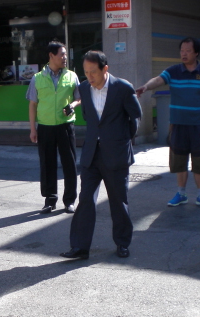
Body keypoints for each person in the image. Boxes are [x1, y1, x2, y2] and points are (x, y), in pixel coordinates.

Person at [60, 50, 142, 260]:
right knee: (85, 199)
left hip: (116, 154)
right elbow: (89, 118)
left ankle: (122, 243)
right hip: (91, 154)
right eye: (86, 72)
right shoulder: (84, 89)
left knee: (118, 201)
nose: (90, 77)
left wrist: (122, 141)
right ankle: (80, 247)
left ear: (105, 69)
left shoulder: (122, 88)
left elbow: (135, 117)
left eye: (93, 72)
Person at [136, 37, 200, 208]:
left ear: (196, 53)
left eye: (188, 51)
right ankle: (181, 194)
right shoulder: (173, 71)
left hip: (199, 125)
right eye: (182, 50)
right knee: (179, 159)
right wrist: (145, 87)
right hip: (178, 124)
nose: (184, 54)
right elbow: (158, 80)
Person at [27, 41, 81, 214]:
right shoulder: (37, 78)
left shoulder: (72, 76)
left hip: (66, 126)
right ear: (51, 56)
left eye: (65, 54)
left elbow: (79, 98)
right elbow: (32, 105)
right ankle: (50, 200)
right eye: (62, 54)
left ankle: (70, 201)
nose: (65, 57)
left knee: (70, 164)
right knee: (47, 163)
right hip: (45, 127)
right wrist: (33, 129)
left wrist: (72, 105)